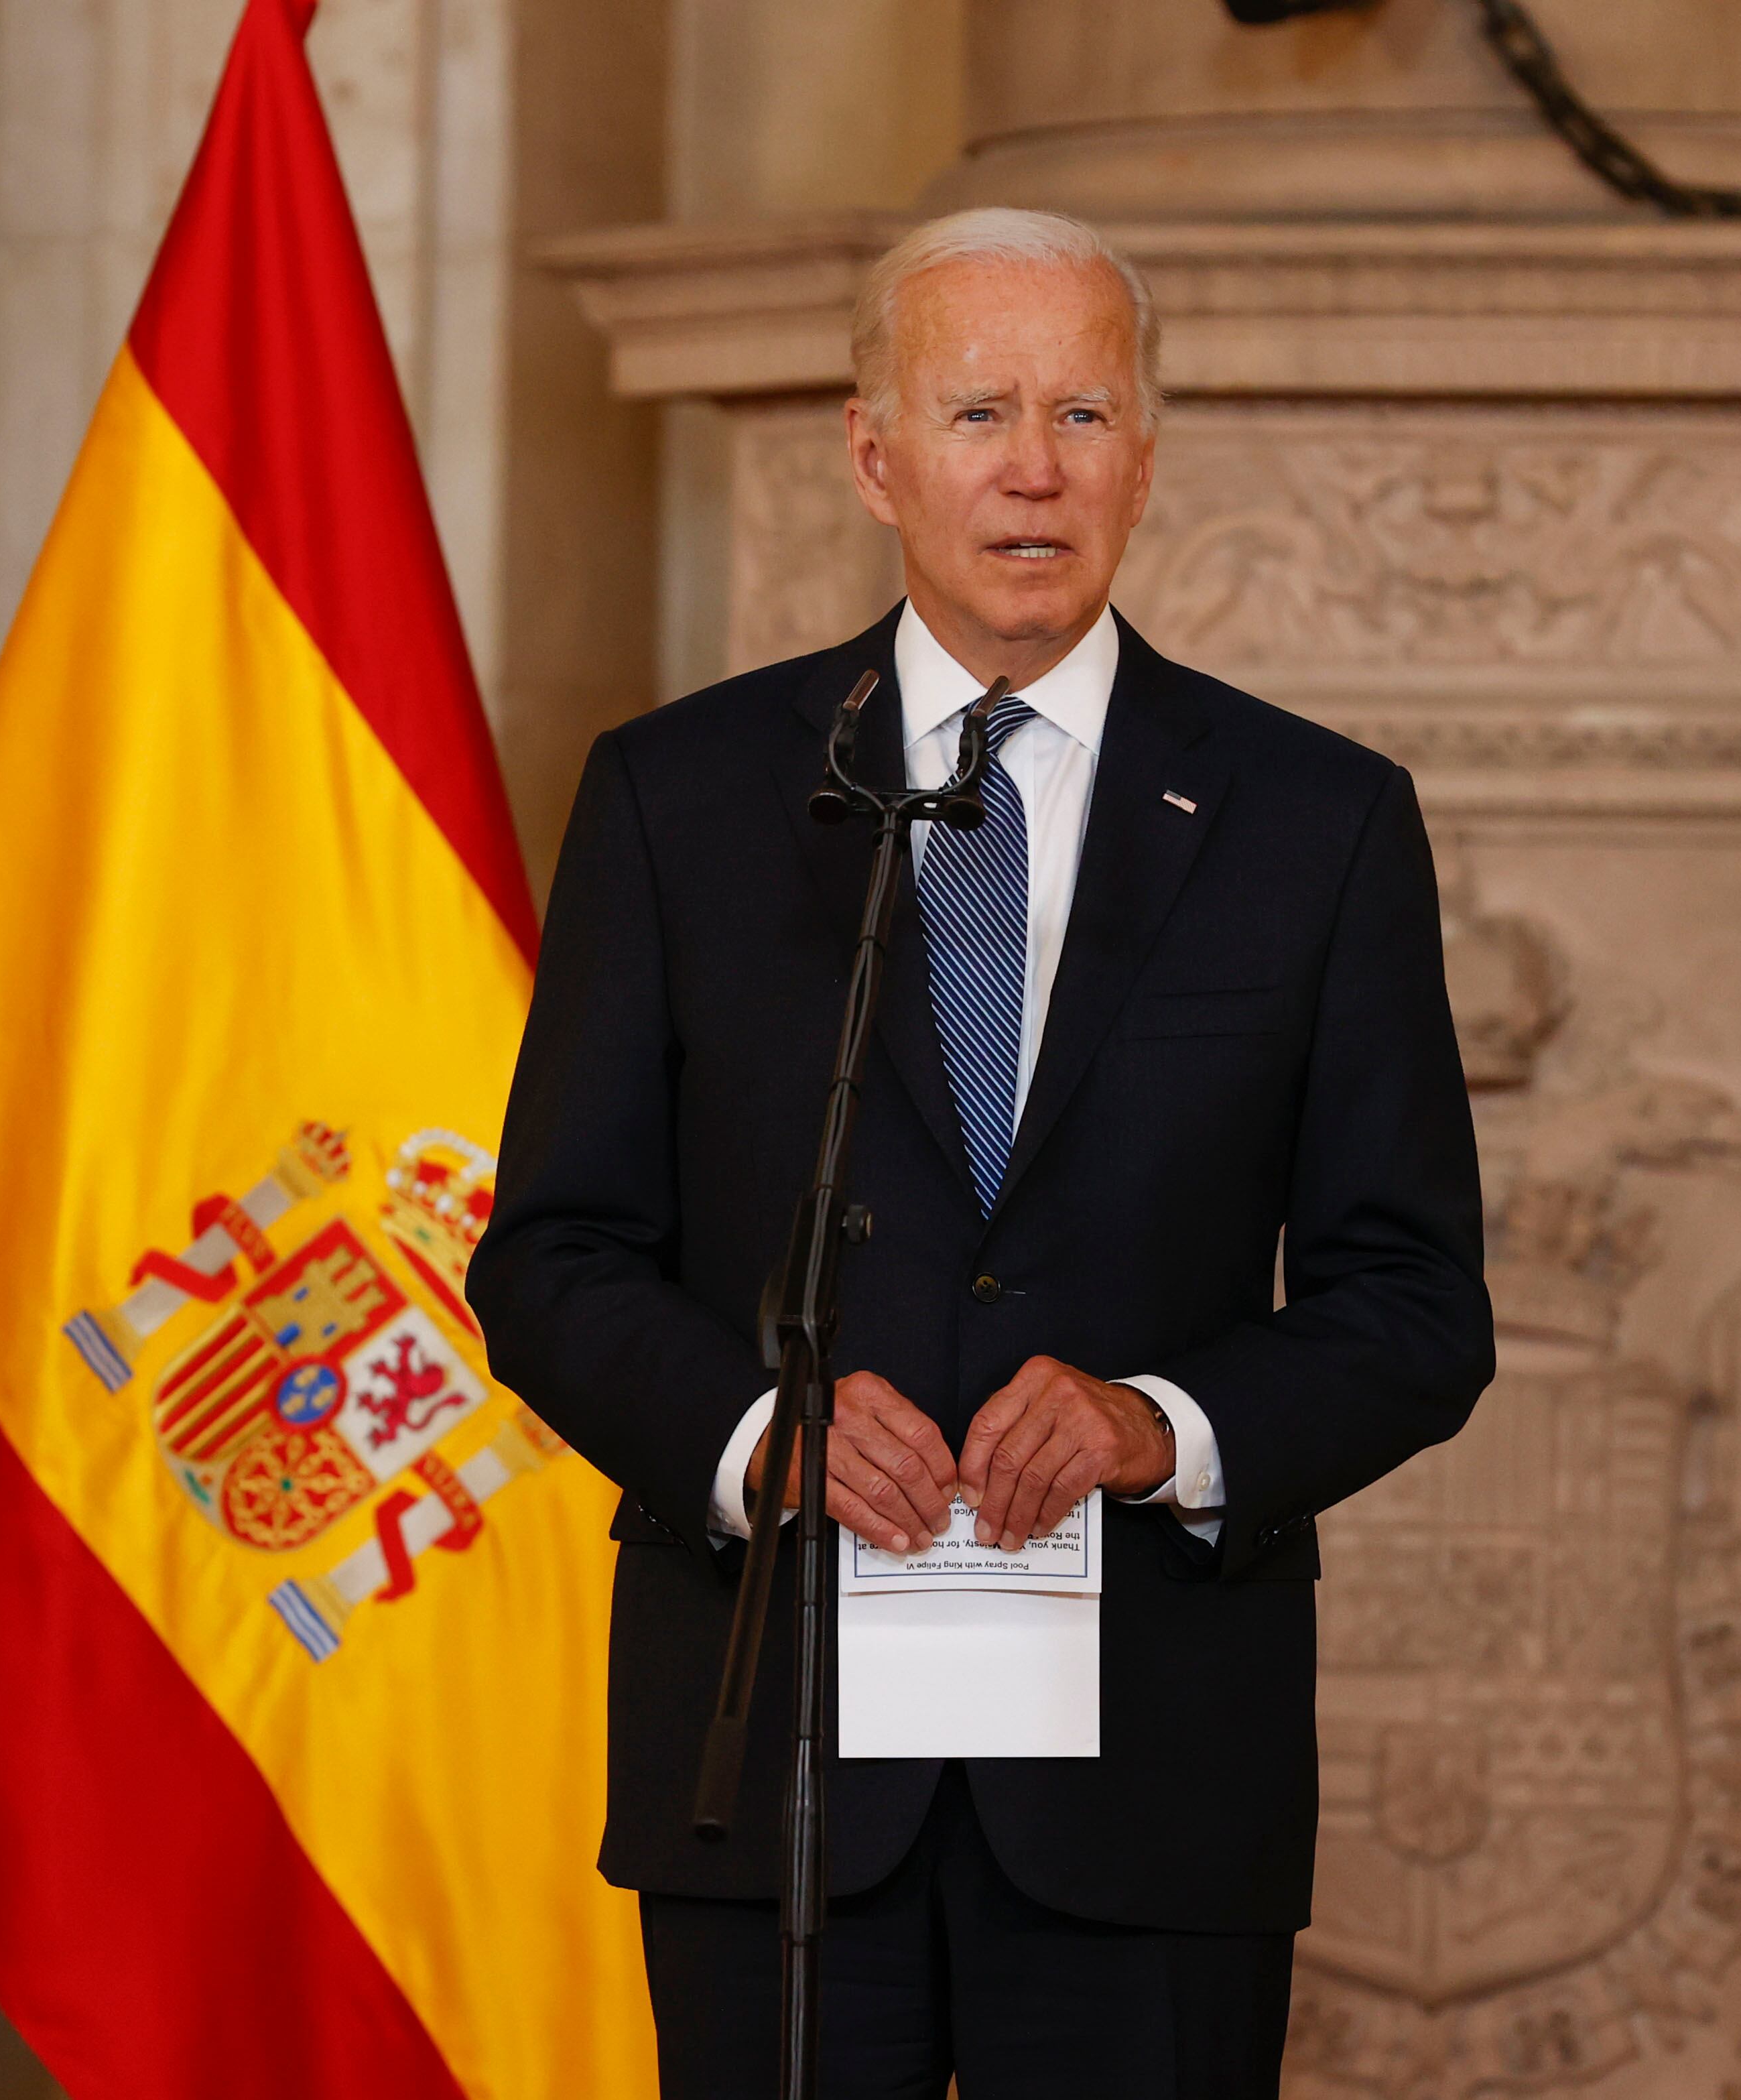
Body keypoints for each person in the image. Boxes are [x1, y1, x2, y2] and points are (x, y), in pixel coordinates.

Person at [466, 207, 1494, 2099]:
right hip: (777, 1763)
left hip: (1150, 1778)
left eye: (1086, 413)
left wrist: (1152, 1424)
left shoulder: (1317, 822)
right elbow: (554, 1256)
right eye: (980, 412)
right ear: (876, 456)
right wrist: (758, 1434)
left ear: (1147, 459)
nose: (1036, 466)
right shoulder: (681, 798)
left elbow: (1415, 1303)